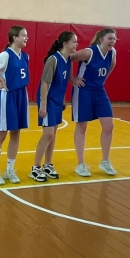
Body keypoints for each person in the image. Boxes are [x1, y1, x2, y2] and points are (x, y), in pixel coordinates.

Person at [0, 25, 30, 185]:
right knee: (1, 134)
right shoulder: (5, 55)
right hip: (8, 96)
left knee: (16, 133)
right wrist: (0, 79)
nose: (26, 38)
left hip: (21, 95)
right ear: (15, 38)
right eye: (24, 35)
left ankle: (9, 170)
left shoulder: (25, 56)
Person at [30, 31, 78, 182]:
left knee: (53, 134)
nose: (76, 44)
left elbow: (62, 82)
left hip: (57, 100)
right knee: (48, 134)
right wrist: (43, 105)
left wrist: (63, 99)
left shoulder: (68, 59)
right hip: (48, 100)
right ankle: (35, 168)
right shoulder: (53, 60)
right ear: (65, 44)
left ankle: (48, 165)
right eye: (74, 42)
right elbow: (45, 83)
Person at [71, 28, 117, 177]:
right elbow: (67, 58)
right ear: (101, 39)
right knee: (82, 127)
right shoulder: (89, 52)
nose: (113, 41)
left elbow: (112, 65)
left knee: (109, 126)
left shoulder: (112, 53)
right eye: (110, 38)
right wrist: (72, 78)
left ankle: (105, 161)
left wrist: (103, 80)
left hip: (99, 90)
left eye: (114, 39)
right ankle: (80, 164)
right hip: (83, 90)